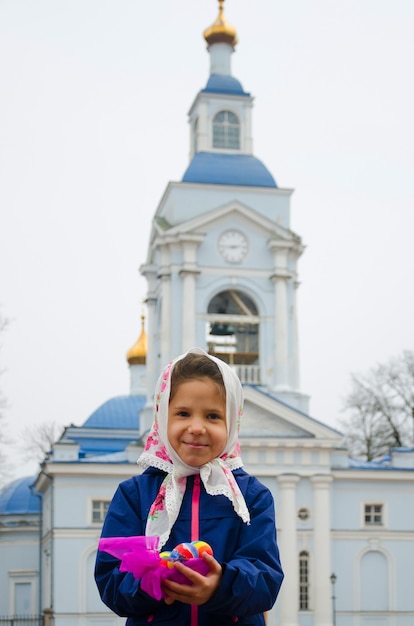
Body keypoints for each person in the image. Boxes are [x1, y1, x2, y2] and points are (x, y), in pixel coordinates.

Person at [95, 347, 284, 625]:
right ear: (162, 417)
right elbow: (111, 580)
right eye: (183, 413)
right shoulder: (135, 495)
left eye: (212, 416)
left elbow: (265, 579)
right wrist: (158, 582)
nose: (197, 427)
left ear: (232, 422)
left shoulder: (251, 498)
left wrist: (220, 585)